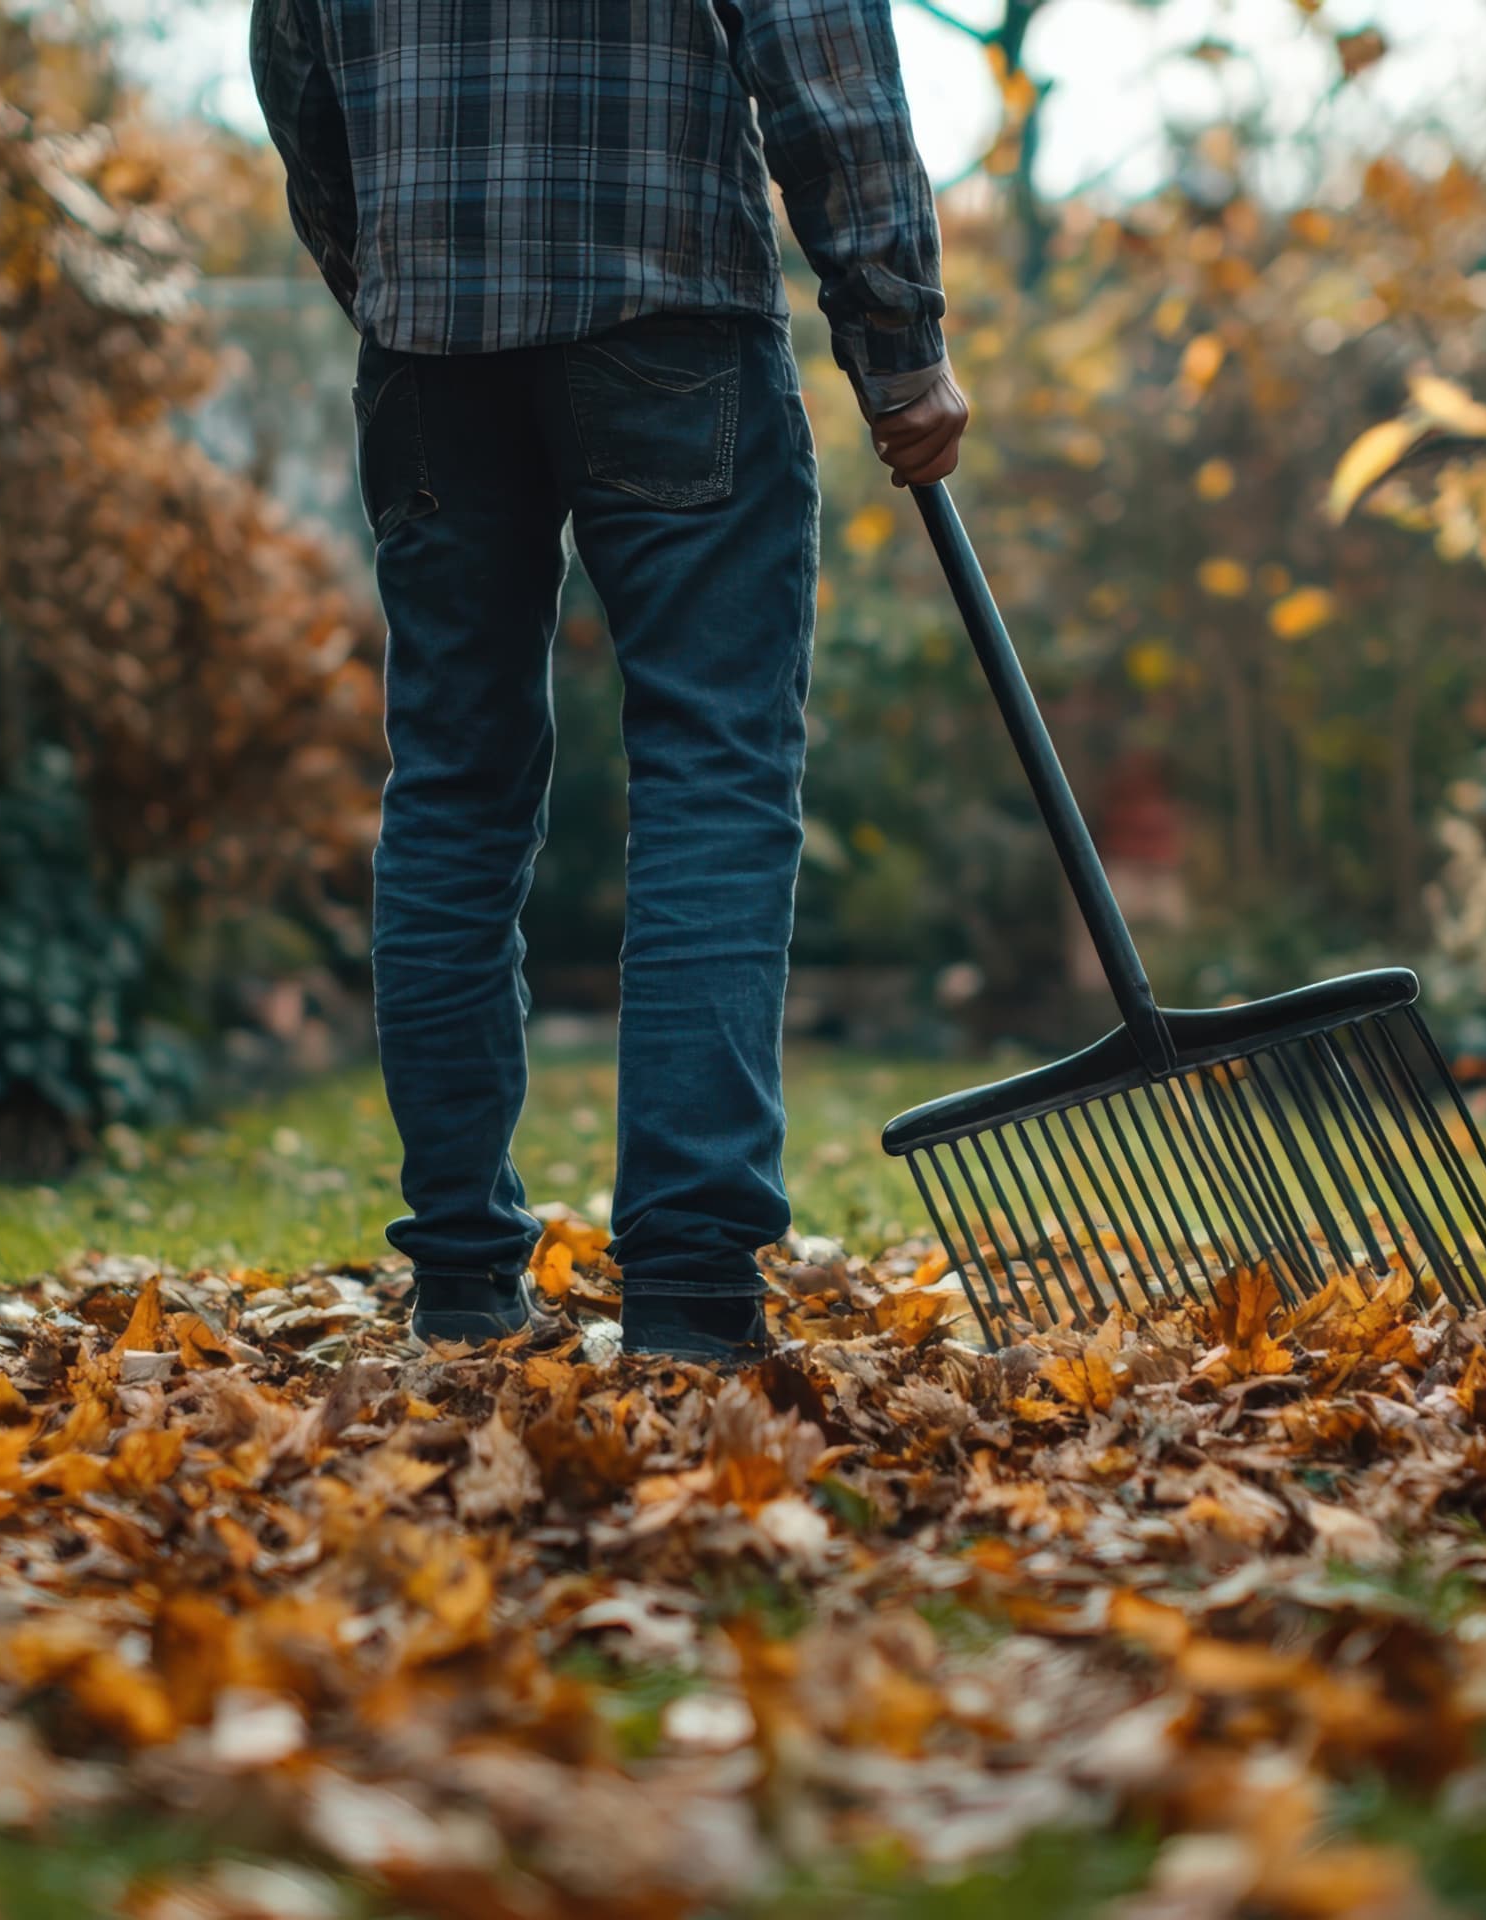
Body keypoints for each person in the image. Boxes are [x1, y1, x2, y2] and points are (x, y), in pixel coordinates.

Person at [253, 0, 969, 1363]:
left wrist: (393, 280)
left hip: (430, 348)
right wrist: (896, 334)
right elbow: (820, 51)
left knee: (453, 787)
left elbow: (294, 72)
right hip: (666, 307)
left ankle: (461, 1279)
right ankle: (693, 1288)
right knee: (712, 772)